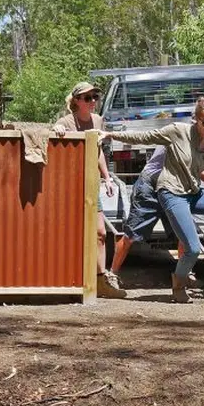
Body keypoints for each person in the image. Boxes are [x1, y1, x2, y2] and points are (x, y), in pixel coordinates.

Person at [101, 98, 204, 304]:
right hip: (158, 187)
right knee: (138, 236)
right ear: (196, 120)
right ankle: (114, 275)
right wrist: (111, 134)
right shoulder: (177, 132)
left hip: (190, 191)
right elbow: (144, 137)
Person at [52, 82, 126, 299]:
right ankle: (66, 279)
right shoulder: (65, 122)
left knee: (101, 233)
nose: (93, 101)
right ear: (76, 101)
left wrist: (107, 177)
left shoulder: (97, 120)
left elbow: (99, 150)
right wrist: (57, 131)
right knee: (70, 233)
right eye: (87, 98)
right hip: (67, 186)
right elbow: (53, 144)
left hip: (91, 184)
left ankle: (100, 280)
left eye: (95, 97)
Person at [109, 146, 204, 289]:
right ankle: (111, 276)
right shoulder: (179, 137)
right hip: (150, 186)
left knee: (183, 232)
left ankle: (184, 276)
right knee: (131, 235)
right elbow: (200, 171)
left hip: (172, 187)